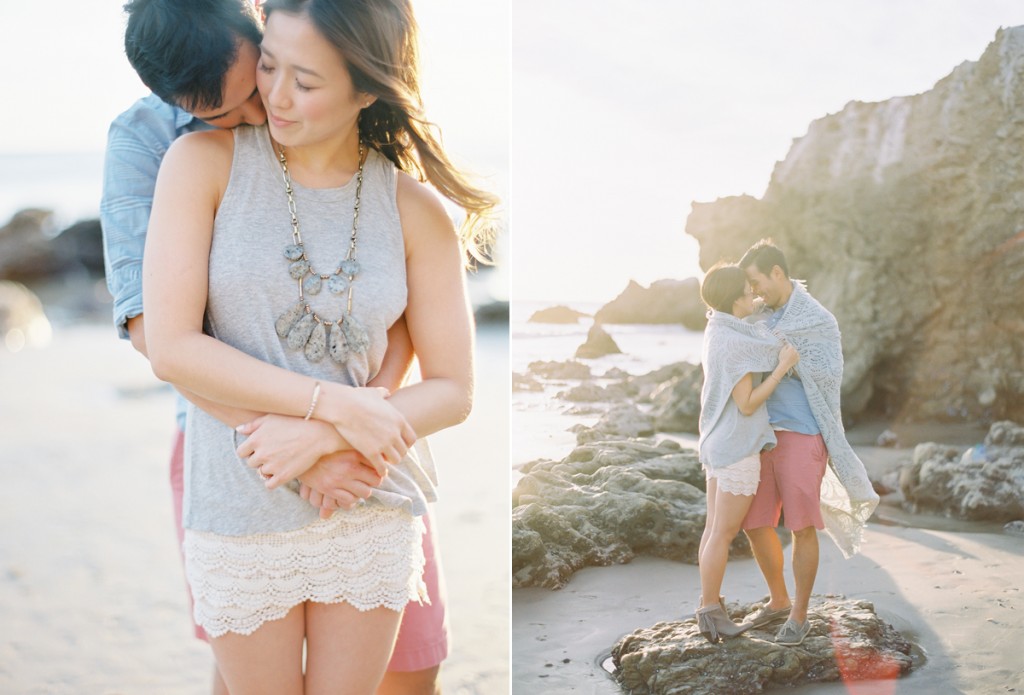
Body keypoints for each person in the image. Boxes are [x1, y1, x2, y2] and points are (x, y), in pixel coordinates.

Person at [99, 0, 474, 691]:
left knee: (415, 670)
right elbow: (166, 341)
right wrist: (325, 419)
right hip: (237, 468)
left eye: (296, 79)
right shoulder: (179, 153)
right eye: (265, 74)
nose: (268, 100)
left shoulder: (412, 205)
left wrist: (338, 433)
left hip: (368, 480)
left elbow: (446, 377)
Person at [737, 239, 879, 647]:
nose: (754, 290)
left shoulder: (817, 320)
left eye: (756, 281)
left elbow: (828, 374)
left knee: (801, 526)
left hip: (803, 435)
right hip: (762, 437)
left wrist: (784, 361)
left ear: (777, 272)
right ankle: (778, 600)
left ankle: (799, 616)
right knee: (755, 524)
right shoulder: (759, 319)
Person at [695, 263, 799, 643]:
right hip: (737, 447)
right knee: (723, 533)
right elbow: (749, 403)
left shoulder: (718, 330)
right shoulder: (737, 342)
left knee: (713, 532)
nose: (754, 294)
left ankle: (709, 608)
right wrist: (782, 366)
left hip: (717, 443)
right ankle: (709, 611)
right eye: (747, 289)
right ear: (734, 297)